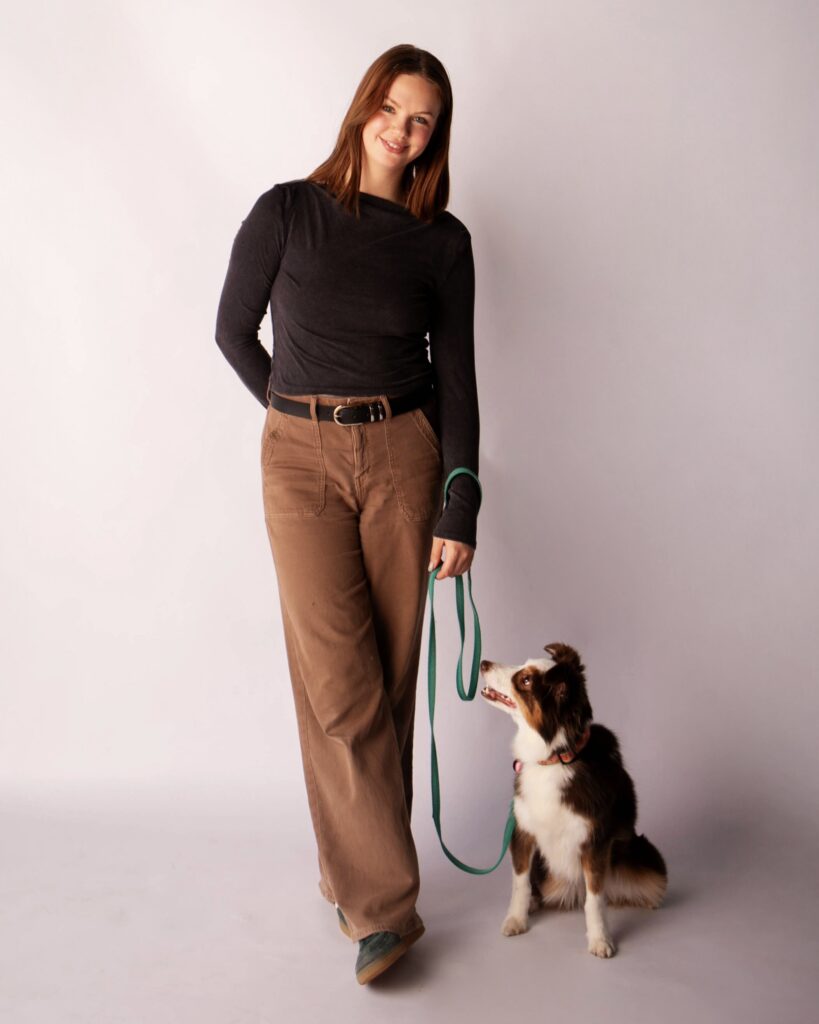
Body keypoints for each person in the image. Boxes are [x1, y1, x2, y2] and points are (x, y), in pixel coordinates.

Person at [214, 43, 481, 985]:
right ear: (364, 106)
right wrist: (300, 419)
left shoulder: (442, 241)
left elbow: (457, 377)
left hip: (406, 456)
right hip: (300, 464)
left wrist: (460, 499)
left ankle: (354, 879)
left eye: (422, 121)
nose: (401, 131)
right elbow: (231, 332)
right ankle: (384, 911)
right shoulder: (286, 211)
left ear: (434, 136)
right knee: (339, 685)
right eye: (391, 109)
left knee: (389, 681)